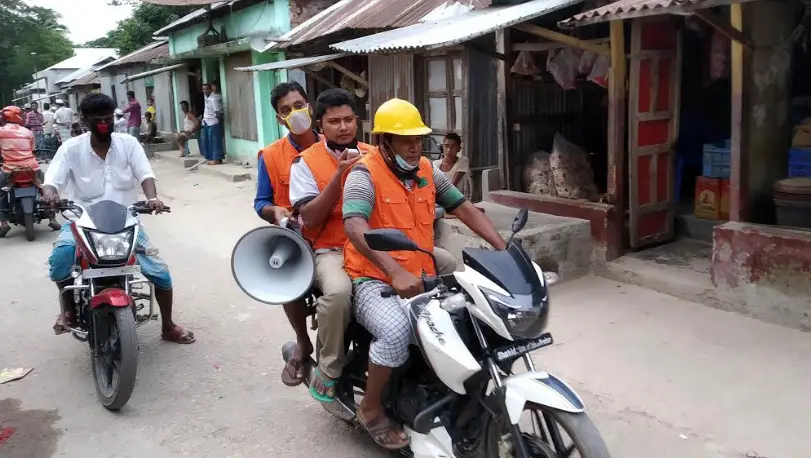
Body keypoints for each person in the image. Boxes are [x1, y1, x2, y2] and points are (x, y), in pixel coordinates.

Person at [342, 98, 507, 450]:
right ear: (385, 141)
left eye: (418, 138)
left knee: (471, 317)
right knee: (396, 330)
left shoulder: (428, 171)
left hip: (422, 271)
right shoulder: (364, 173)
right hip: (375, 278)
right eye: (406, 140)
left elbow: (464, 208)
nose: (415, 146)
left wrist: (503, 248)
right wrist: (393, 270)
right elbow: (355, 225)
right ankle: (371, 409)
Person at [42, 93, 195, 344]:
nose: (104, 123)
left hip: (126, 222)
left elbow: (145, 174)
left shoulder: (128, 144)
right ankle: (68, 309)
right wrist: (50, 195)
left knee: (160, 273)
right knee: (60, 258)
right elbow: (52, 181)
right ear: (84, 120)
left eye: (108, 118)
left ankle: (168, 325)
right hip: (82, 223)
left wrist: (152, 198)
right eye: (97, 119)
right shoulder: (70, 148)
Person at [289, 88, 373, 402]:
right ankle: (329, 367)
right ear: (320, 126)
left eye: (349, 119)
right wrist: (339, 177)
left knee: (442, 264)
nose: (343, 127)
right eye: (334, 121)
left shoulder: (374, 154)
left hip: (372, 244)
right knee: (338, 294)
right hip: (331, 248)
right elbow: (309, 218)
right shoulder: (305, 163)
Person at [255, 81, 321, 387]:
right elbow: (261, 203)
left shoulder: (336, 144)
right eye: (286, 110)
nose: (294, 113)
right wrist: (275, 212)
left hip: (336, 236)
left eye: (298, 105)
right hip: (295, 238)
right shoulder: (269, 155)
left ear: (308, 105)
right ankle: (302, 342)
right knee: (286, 282)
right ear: (279, 119)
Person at [0, 106, 61, 237]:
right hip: (32, 168)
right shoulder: (27, 132)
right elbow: (32, 150)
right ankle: (52, 219)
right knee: (46, 188)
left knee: (1, 192)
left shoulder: (0, 132)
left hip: (10, 170)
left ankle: (4, 222)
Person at [434, 132, 471, 199]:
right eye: (446, 146)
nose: (449, 150)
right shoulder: (435, 164)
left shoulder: (463, 161)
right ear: (443, 147)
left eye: (453, 146)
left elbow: (452, 186)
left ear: (459, 149)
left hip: (456, 201)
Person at [201, 82, 224, 165]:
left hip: (213, 123)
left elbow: (217, 112)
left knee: (215, 142)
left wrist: (218, 122)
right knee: (210, 141)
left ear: (210, 89)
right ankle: (215, 158)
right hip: (207, 122)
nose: (205, 91)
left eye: (206, 89)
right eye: (203, 89)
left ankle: (216, 159)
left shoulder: (213, 99)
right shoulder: (206, 98)